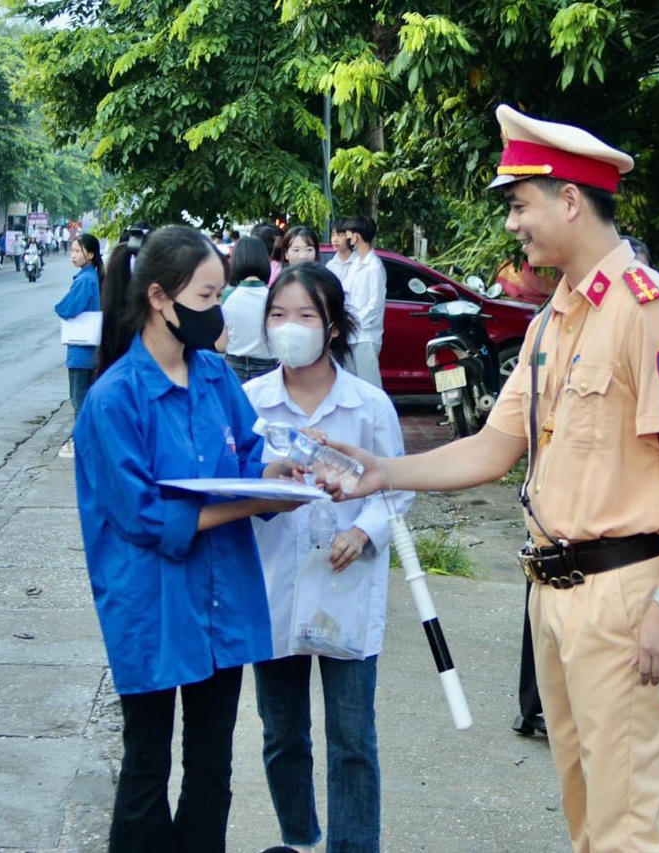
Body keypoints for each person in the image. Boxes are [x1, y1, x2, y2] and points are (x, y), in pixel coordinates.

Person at [319, 104, 659, 852]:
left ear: (569, 199)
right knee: (585, 812)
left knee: (630, 821)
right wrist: (382, 472)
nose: (512, 224)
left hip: (624, 594)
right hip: (552, 595)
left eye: (519, 204)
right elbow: (491, 449)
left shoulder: (652, 312)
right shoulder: (549, 322)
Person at [73, 224, 303, 852]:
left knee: (212, 769)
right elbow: (144, 515)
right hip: (151, 604)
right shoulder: (115, 399)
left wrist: (283, 476)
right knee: (147, 768)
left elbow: (251, 455)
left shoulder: (214, 376)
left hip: (222, 599)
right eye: (205, 298)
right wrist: (250, 500)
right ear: (158, 297)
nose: (217, 313)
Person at [243, 262, 411, 853]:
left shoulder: (367, 407)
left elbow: (398, 487)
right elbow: (234, 486)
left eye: (306, 316)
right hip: (276, 589)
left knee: (352, 739)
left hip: (347, 592)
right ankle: (301, 840)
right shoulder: (251, 404)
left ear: (334, 326)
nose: (291, 327)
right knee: (282, 733)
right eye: (279, 315)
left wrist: (363, 533)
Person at [54, 233, 104, 458]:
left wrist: (60, 307)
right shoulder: (92, 277)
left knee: (79, 398)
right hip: (89, 350)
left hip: (81, 351)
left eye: (77, 251)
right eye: (72, 250)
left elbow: (65, 308)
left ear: (90, 255)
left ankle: (81, 442)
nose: (73, 255)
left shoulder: (85, 280)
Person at [221, 235, 277, 382]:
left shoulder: (226, 296)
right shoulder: (274, 297)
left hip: (234, 367)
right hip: (268, 367)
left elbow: (220, 345)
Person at [339, 215, 385, 388]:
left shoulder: (374, 267)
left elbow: (374, 305)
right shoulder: (355, 263)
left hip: (365, 336)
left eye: (348, 235)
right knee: (352, 387)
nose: (347, 239)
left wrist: (354, 323)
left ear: (356, 237)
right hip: (351, 336)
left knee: (370, 387)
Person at [325, 218, 354, 284]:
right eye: (333, 235)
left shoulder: (359, 263)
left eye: (341, 235)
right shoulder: (330, 265)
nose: (335, 240)